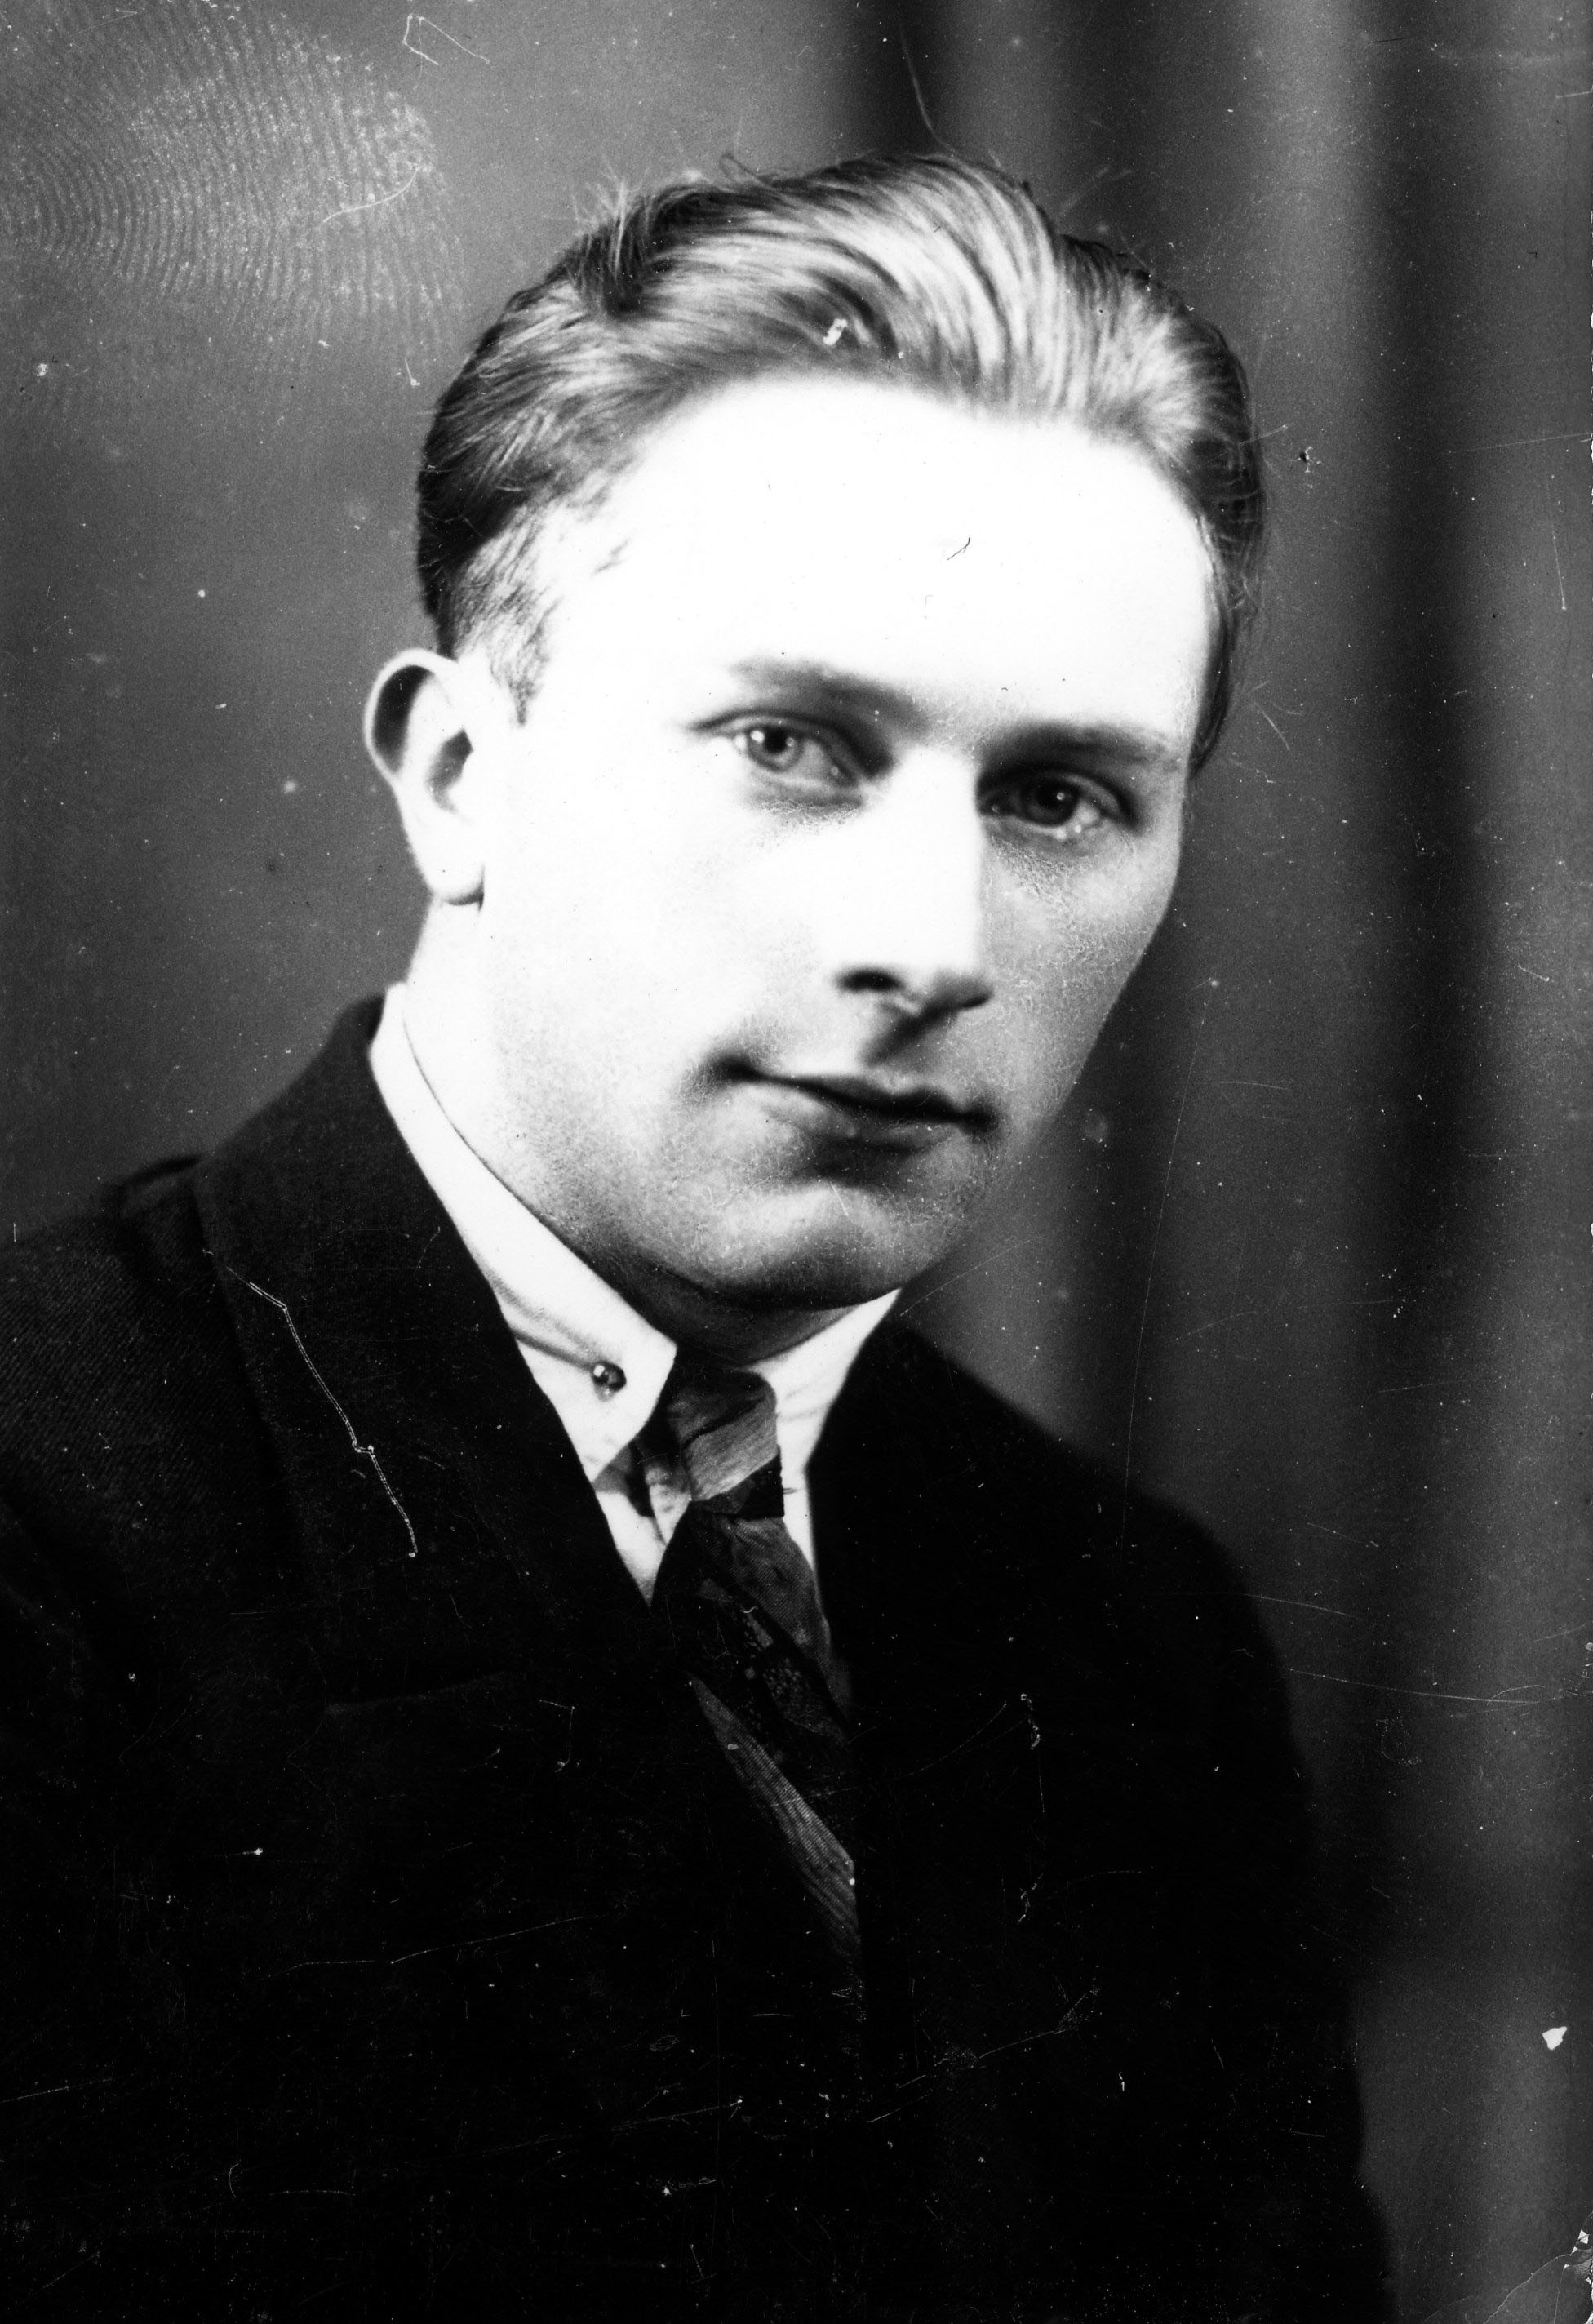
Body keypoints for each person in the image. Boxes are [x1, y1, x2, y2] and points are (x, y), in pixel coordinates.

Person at [0, 157, 1388, 2318]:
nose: (932, 945)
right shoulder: (45, 1531)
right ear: (458, 774)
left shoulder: (1136, 1639)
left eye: (1059, 799)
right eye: (792, 746)